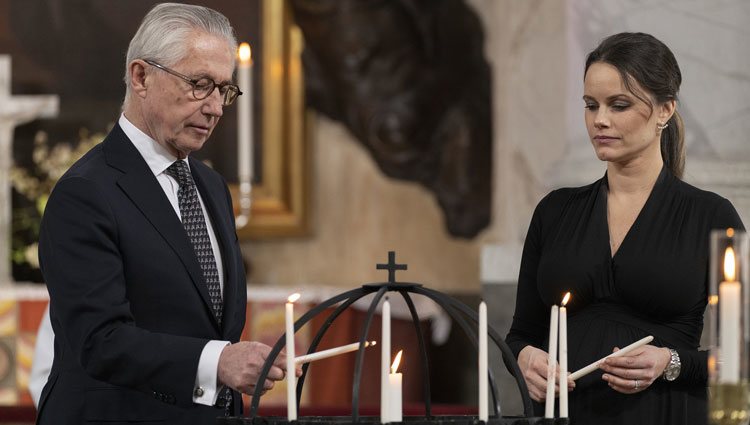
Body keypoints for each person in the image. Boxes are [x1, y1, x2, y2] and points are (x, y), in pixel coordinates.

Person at [36, 4, 287, 424]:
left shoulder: (210, 187)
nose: (215, 108)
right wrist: (218, 362)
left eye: (223, 90)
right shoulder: (84, 193)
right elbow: (100, 341)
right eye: (200, 84)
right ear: (141, 77)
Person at [505, 32, 745, 424]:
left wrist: (672, 362)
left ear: (665, 110)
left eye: (619, 105)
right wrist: (525, 357)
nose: (600, 120)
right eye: (590, 105)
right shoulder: (554, 211)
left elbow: (743, 355)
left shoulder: (710, 215)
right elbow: (521, 332)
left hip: (665, 413)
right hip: (563, 414)